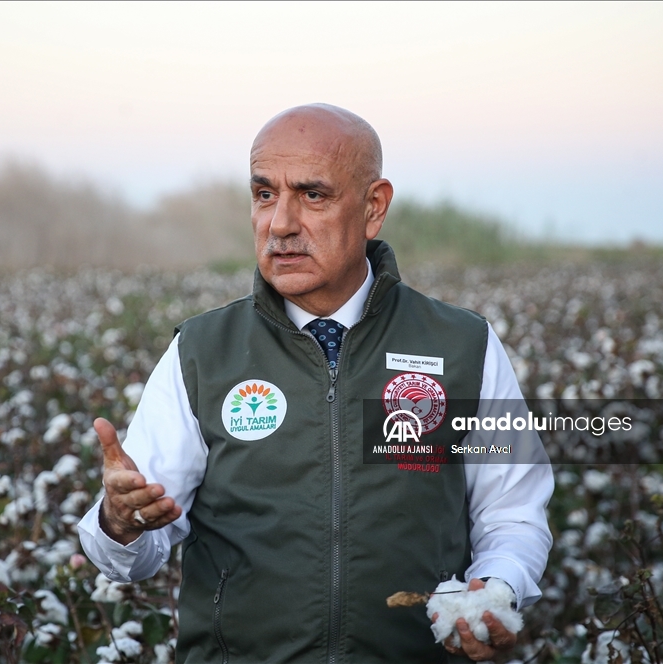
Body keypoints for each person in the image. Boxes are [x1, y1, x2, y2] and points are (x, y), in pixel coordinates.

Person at [79, 104, 553, 663]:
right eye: (263, 194)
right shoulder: (202, 352)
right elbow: (134, 552)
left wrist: (496, 590)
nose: (280, 223)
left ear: (374, 208)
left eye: (312, 195)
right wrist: (120, 522)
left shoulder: (463, 345)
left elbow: (514, 514)